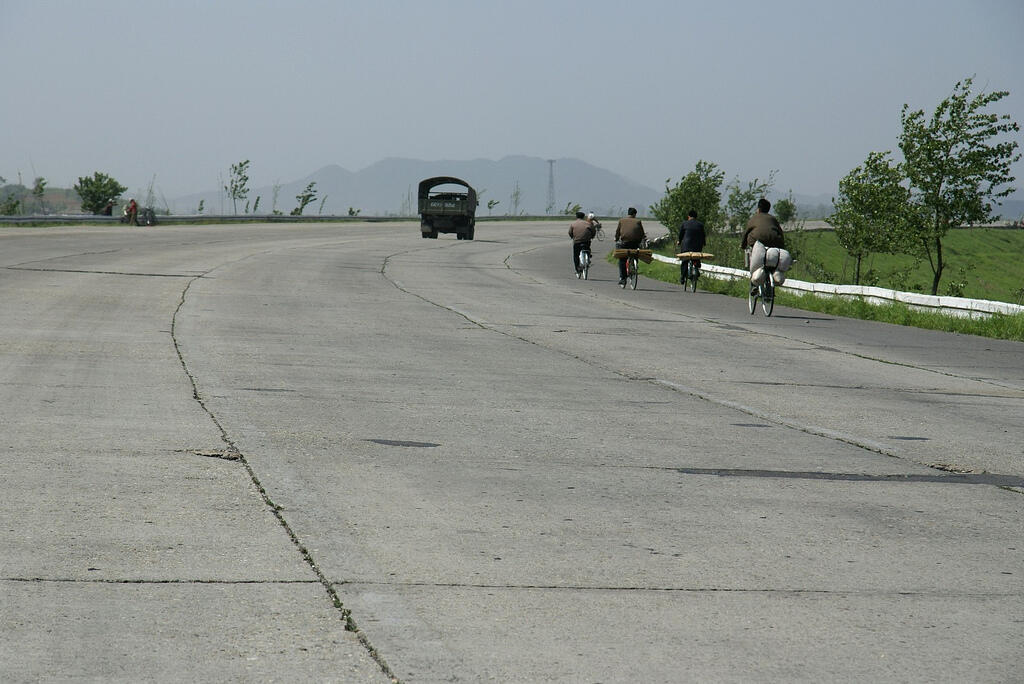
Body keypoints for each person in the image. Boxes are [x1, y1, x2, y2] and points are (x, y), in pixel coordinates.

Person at [614, 207, 646, 285]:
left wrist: (616, 238)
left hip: (625, 243)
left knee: (622, 260)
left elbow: (617, 232)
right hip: (635, 243)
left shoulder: (621, 221)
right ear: (635, 214)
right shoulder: (638, 221)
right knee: (635, 254)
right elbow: (642, 233)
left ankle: (622, 278)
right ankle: (634, 266)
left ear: (628, 214)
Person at [676, 209, 706, 284]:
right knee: (696, 257)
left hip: (686, 245)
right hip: (697, 246)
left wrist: (679, 241)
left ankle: (682, 277)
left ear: (688, 216)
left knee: (685, 261)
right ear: (696, 217)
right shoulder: (700, 225)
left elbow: (681, 235)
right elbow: (703, 235)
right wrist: (704, 243)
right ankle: (697, 268)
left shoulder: (685, 223)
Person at [568, 211, 596, 276]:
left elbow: (570, 233)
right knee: (587, 249)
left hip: (577, 241)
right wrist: (592, 236)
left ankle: (577, 270)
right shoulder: (588, 223)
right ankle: (588, 257)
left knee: (576, 255)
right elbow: (593, 231)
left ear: (576, 216)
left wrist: (573, 237)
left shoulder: (573, 224)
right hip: (586, 241)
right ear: (583, 217)